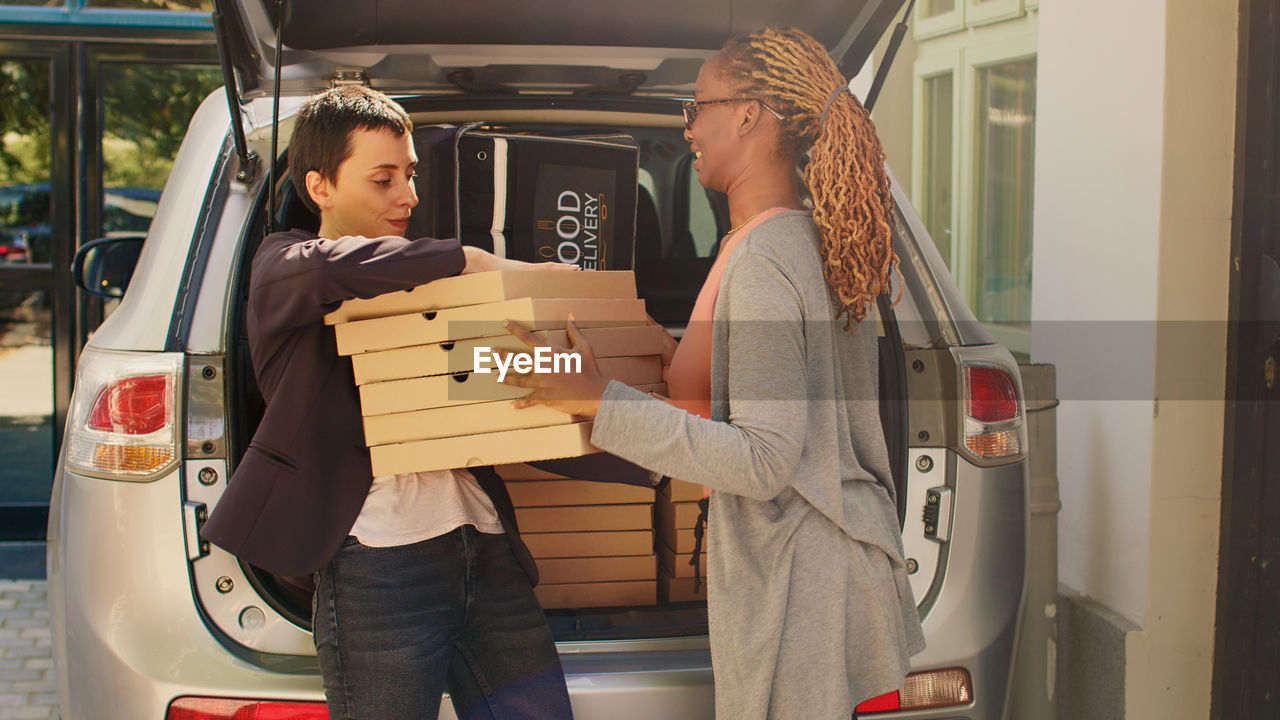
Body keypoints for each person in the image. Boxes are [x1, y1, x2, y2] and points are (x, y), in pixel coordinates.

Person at [503, 26, 926, 720]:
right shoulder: (790, 240)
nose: (689, 127)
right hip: (826, 576)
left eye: (696, 107)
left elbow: (764, 459)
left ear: (748, 114)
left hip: (810, 595)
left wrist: (595, 399)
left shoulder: (766, 261)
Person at [200, 85, 576, 720]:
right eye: (383, 180)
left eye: (409, 174)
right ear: (319, 187)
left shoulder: (424, 277)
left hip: (483, 547)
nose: (408, 196)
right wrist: (472, 260)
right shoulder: (284, 265)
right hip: (377, 565)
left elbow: (495, 385)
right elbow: (323, 270)